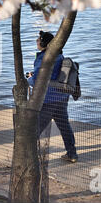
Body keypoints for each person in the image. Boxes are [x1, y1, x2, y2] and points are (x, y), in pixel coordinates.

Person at [27, 31, 78, 163]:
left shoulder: (43, 58)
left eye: (39, 39)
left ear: (44, 43)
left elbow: (39, 80)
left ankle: (28, 156)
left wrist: (29, 79)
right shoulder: (59, 56)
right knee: (64, 125)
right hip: (61, 97)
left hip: (48, 99)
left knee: (35, 129)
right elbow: (52, 74)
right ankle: (72, 154)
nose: (36, 41)